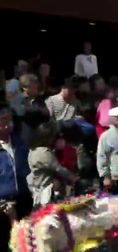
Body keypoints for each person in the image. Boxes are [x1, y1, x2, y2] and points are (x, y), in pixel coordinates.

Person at [0, 102, 31, 252]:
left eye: (7, 120)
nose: (5, 125)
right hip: (4, 206)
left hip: (24, 198)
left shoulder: (19, 140)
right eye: (1, 122)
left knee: (27, 239)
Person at [26, 122, 76, 208]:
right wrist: (73, 178)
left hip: (40, 189)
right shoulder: (43, 153)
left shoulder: (33, 150)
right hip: (46, 191)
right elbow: (58, 169)